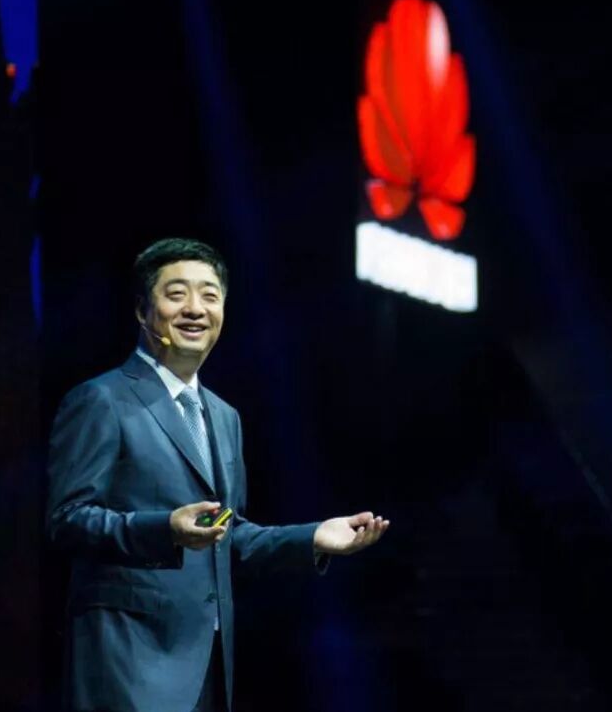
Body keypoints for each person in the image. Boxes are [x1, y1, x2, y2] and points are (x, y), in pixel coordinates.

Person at [46, 238, 389, 712]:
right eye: (176, 294)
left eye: (210, 295)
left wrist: (313, 537)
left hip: (207, 662)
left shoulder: (225, 417)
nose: (195, 308)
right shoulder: (101, 399)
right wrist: (165, 529)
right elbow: (67, 519)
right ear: (143, 311)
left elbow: (227, 535)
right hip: (126, 660)